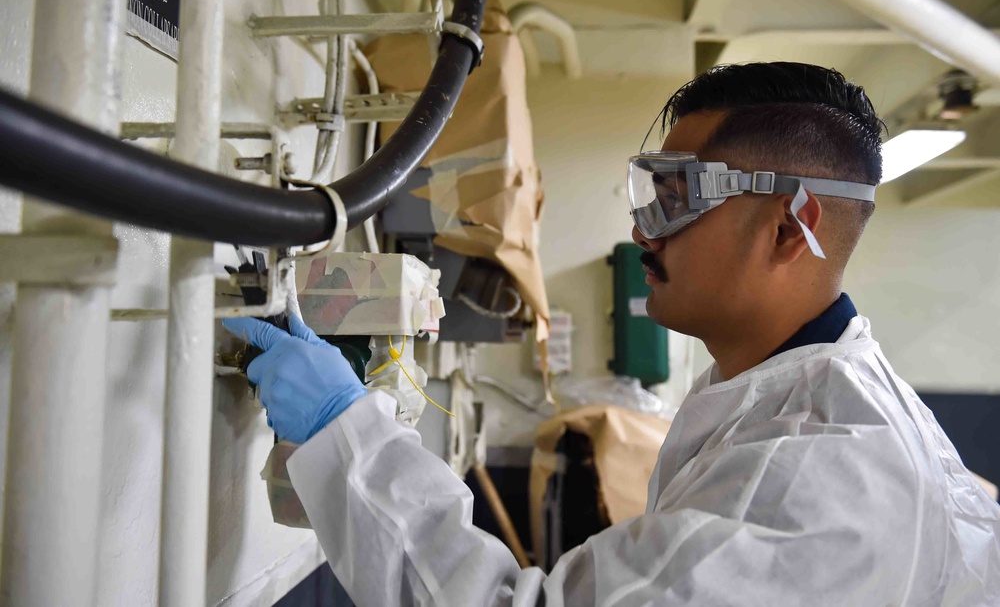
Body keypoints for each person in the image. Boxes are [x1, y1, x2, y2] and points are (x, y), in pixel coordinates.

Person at [224, 62, 1000, 605]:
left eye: (676, 197)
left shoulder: (817, 481)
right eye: (646, 191)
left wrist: (344, 430)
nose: (641, 231)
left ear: (788, 231)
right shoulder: (779, 396)